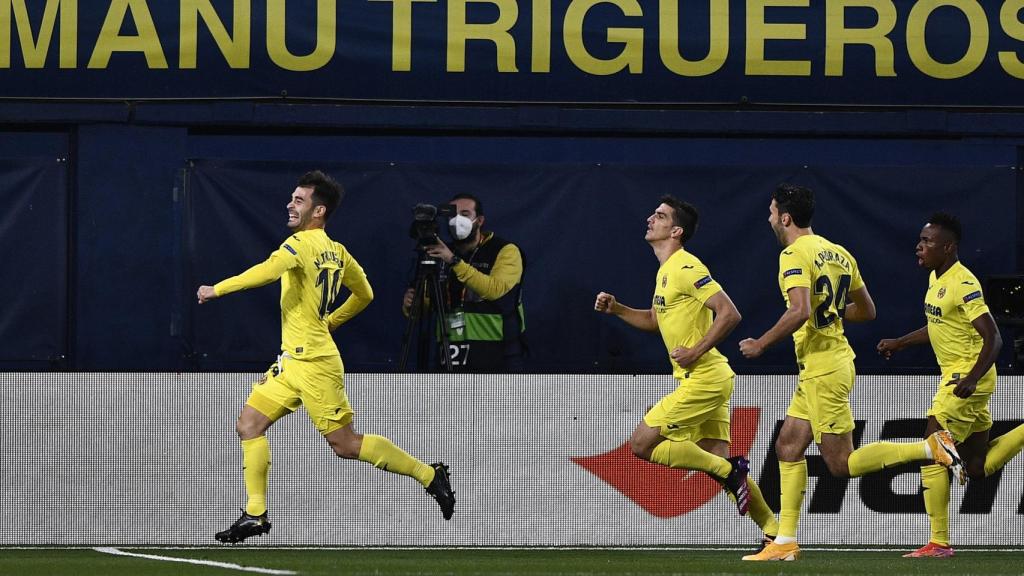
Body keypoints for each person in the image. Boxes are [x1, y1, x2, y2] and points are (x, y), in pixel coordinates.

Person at [198, 170, 455, 543]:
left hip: (316, 365)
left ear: (318, 211)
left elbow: (266, 272)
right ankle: (255, 514)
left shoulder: (299, 245)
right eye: (292, 197)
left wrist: (215, 289)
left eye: (299, 200)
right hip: (292, 361)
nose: (290, 204)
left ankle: (430, 476)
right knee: (249, 425)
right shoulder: (339, 251)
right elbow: (365, 293)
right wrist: (331, 321)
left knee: (345, 445)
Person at [738, 184, 963, 561]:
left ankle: (929, 447)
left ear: (786, 218)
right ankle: (785, 542)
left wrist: (761, 344)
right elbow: (867, 311)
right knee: (788, 446)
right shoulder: (839, 253)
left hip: (825, 367)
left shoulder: (793, 254)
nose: (770, 218)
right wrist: (829, 311)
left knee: (840, 464)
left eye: (773, 211)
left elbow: (799, 310)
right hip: (824, 364)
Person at [594, 195, 780, 547]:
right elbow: (654, 320)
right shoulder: (666, 271)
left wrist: (696, 350)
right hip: (706, 378)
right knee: (717, 457)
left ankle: (729, 471)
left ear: (676, 230)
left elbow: (729, 313)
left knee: (641, 444)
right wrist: (617, 309)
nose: (651, 218)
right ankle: (775, 534)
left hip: (706, 378)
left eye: (660, 216)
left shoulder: (685, 266)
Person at [877, 212, 1024, 558]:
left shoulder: (964, 283)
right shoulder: (935, 277)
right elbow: (939, 325)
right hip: (961, 377)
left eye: (927, 241)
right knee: (976, 467)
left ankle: (939, 542)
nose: (919, 246)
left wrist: (972, 378)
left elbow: (995, 338)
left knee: (932, 448)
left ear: (949, 248)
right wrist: (900, 342)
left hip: (965, 378)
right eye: (921, 239)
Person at [402, 193, 525, 372]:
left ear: (480, 220)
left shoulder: (505, 251)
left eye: (465, 214)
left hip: (497, 355)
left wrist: (454, 261)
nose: (457, 220)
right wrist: (413, 304)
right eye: (452, 215)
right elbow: (429, 305)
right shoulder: (440, 253)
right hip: (450, 354)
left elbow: (494, 289)